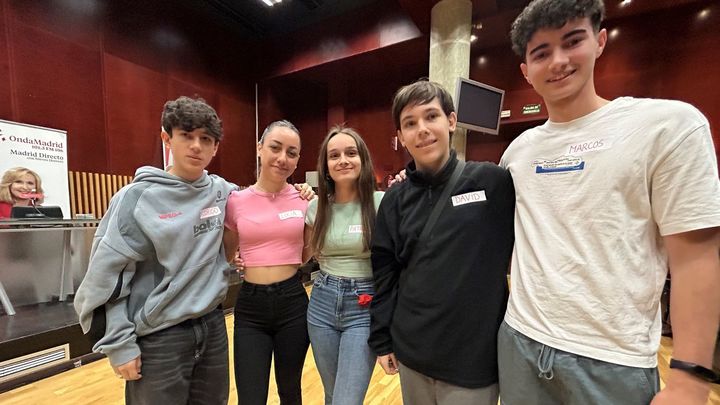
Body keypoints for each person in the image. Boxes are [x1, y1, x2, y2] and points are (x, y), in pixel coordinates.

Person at [498, 1, 720, 404]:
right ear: (526, 71)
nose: (558, 61)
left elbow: (697, 257)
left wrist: (690, 381)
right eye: (542, 52)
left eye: (572, 41)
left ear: (600, 41)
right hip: (520, 342)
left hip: (613, 361)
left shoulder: (668, 127)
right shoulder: (517, 152)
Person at [74, 96, 238, 405]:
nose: (196, 146)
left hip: (213, 326)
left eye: (205, 139)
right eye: (186, 135)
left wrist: (303, 192)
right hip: (160, 337)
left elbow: (263, 201)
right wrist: (119, 345)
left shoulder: (224, 192)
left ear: (215, 147)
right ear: (167, 138)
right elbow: (104, 279)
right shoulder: (135, 199)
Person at [369, 80, 515, 405]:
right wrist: (382, 340)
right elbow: (385, 275)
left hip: (473, 361)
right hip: (412, 353)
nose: (422, 129)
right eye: (410, 123)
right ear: (401, 137)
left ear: (451, 121)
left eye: (431, 116)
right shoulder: (394, 200)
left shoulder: (492, 183)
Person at [223, 120, 312, 405]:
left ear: (297, 159)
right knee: (250, 397)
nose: (282, 158)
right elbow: (227, 253)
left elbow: (305, 256)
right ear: (259, 148)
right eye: (275, 148)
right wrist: (239, 257)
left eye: (291, 153)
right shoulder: (235, 201)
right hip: (251, 307)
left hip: (293, 304)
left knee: (290, 392)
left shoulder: (305, 200)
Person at [305, 126, 384, 405]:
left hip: (364, 306)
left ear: (363, 159)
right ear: (326, 166)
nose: (343, 160)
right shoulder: (315, 208)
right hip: (322, 302)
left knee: (346, 400)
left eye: (351, 153)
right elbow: (300, 256)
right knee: (332, 395)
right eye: (334, 155)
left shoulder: (380, 203)